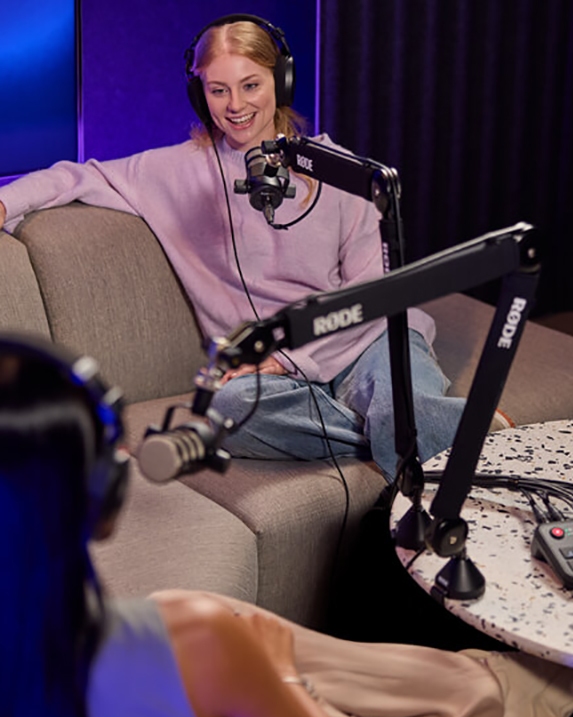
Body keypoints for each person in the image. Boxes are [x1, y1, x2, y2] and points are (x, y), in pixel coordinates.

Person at [0, 333, 573, 717]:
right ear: (102, 499)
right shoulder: (192, 641)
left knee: (221, 628)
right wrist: (277, 677)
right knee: (323, 703)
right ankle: (488, 701)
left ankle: (484, 700)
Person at [0, 14, 471, 482]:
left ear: (280, 82)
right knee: (231, 408)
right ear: (199, 93)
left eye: (251, 85)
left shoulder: (342, 171)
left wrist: (287, 359)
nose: (236, 105)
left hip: (364, 340)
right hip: (272, 376)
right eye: (218, 90)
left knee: (398, 405)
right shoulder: (177, 172)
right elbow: (77, 176)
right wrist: (4, 204)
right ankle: (428, 432)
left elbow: (371, 298)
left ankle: (407, 430)